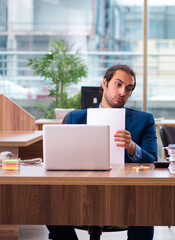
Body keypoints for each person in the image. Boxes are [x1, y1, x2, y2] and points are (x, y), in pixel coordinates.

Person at [46, 64, 157, 240]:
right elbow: (60, 160)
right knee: (49, 203)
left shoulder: (144, 120)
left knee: (145, 206)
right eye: (118, 85)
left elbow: (153, 162)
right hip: (82, 192)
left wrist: (132, 147)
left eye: (129, 89)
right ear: (105, 83)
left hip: (126, 195)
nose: (123, 93)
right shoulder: (76, 118)